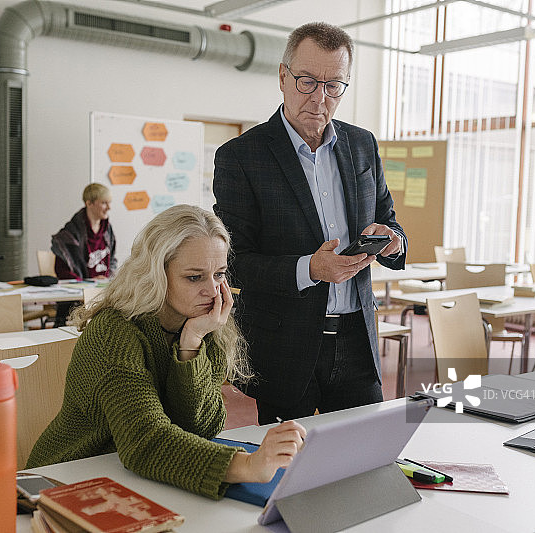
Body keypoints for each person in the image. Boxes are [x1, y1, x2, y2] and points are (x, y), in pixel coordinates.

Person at [26, 205, 306, 499]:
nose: (212, 291)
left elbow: (201, 427)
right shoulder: (115, 332)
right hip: (64, 483)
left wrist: (192, 343)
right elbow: (146, 441)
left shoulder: (203, 324)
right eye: (194, 277)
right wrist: (246, 466)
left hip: (138, 480)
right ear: (156, 274)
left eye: (219, 274)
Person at [213, 22, 407, 425]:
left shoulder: (362, 145)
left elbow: (388, 219)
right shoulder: (241, 157)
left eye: (333, 85)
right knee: (287, 473)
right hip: (286, 345)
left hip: (356, 338)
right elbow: (233, 262)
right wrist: (310, 268)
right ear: (283, 77)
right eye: (306, 81)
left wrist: (391, 241)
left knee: (364, 461)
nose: (319, 98)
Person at [51, 183, 117, 327]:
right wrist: (90, 282)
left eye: (109, 203)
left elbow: (112, 260)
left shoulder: (108, 231)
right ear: (89, 203)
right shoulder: (69, 234)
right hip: (78, 298)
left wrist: (107, 278)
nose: (109, 207)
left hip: (102, 293)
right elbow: (63, 271)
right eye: (104, 203)